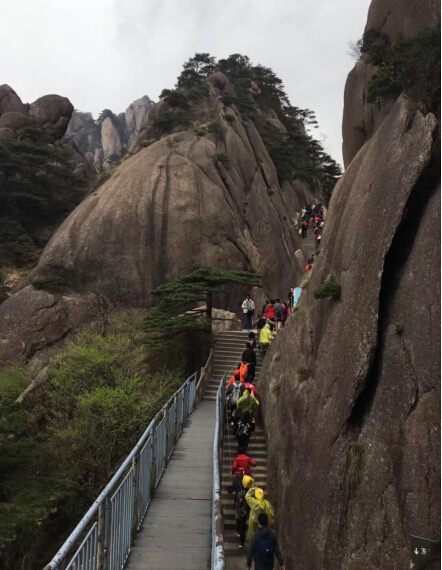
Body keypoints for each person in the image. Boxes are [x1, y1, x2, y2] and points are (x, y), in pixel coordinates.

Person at [227, 474, 254, 549]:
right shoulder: (248, 481)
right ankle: (241, 540)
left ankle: (239, 532)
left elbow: (229, 491)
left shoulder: (236, 482)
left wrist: (227, 486)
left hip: (238, 504)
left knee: (239, 518)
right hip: (246, 505)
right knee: (243, 521)